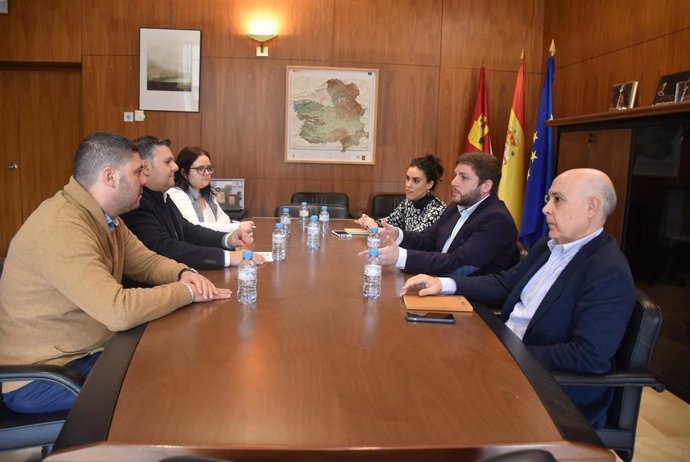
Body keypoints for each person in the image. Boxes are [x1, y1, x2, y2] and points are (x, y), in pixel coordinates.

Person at [0, 132, 231, 414]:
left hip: (85, 352)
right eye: (137, 172)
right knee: (166, 385)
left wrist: (183, 273)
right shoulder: (62, 226)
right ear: (110, 177)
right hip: (43, 375)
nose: (144, 180)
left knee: (181, 359)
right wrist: (189, 291)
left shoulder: (105, 217)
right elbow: (118, 311)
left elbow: (146, 262)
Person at [400, 168, 635, 429]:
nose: (546, 209)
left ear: (591, 207)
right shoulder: (548, 247)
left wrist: (505, 355)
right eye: (548, 199)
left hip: (548, 390)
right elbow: (504, 283)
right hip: (507, 359)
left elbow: (589, 355)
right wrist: (443, 283)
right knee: (417, 370)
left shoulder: (606, 270)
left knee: (434, 407)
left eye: (557, 199)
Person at [363, 152, 518, 276]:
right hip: (438, 282)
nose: (453, 182)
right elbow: (427, 239)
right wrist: (397, 234)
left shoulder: (496, 220)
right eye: (456, 175)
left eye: (463, 177)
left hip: (469, 302)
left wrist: (401, 257)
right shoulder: (455, 208)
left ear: (486, 186)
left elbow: (457, 264)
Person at [121, 136, 263, 270]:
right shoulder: (137, 203)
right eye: (167, 162)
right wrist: (227, 258)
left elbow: (189, 231)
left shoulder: (161, 196)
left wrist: (227, 239)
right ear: (145, 167)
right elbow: (165, 249)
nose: (175, 167)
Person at [167, 146, 253, 234]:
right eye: (200, 169)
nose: (207, 173)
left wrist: (219, 228)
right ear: (184, 173)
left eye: (209, 168)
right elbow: (195, 228)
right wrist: (236, 227)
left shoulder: (205, 193)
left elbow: (224, 218)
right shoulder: (176, 194)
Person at [355, 154, 446, 232]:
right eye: (407, 178)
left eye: (416, 181)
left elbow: (417, 239)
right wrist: (371, 222)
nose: (408, 185)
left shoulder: (437, 209)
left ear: (429, 184)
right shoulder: (408, 202)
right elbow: (391, 221)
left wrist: (376, 228)